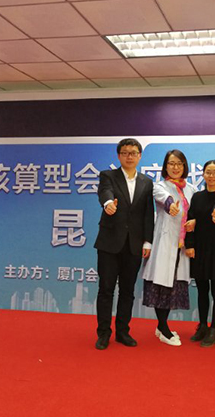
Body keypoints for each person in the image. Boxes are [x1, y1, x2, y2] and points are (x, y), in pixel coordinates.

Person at [94, 138, 154, 350]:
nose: (129, 156)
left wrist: (147, 241)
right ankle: (103, 333)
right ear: (119, 155)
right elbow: (105, 192)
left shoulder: (147, 182)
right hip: (109, 243)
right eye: (125, 152)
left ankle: (122, 332)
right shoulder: (108, 176)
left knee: (127, 291)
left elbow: (148, 214)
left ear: (140, 156)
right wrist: (108, 203)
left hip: (134, 245)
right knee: (106, 290)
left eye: (133, 153)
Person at [143, 150, 197, 346]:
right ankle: (163, 327)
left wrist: (194, 221)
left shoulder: (191, 189)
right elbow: (164, 198)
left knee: (173, 285)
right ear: (165, 166)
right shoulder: (159, 186)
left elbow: (196, 212)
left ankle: (161, 327)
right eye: (171, 163)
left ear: (184, 166)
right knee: (162, 285)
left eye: (179, 164)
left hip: (182, 245)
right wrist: (170, 205)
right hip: (164, 242)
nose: (175, 167)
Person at [184, 160, 215, 347]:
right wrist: (189, 245)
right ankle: (202, 325)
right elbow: (189, 221)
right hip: (199, 248)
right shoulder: (197, 197)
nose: (211, 176)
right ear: (203, 174)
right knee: (202, 290)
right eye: (208, 172)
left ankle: (214, 329)